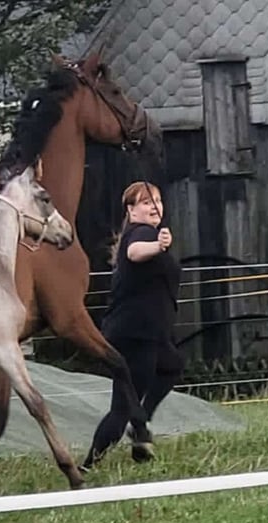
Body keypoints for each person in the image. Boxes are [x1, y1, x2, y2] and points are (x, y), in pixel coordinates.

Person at [81, 181, 184, 470]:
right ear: (131, 210)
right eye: (146, 202)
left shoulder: (145, 232)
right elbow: (135, 252)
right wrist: (158, 245)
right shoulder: (141, 233)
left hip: (146, 331)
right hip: (136, 333)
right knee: (124, 406)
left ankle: (138, 426)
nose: (154, 206)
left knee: (172, 366)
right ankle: (98, 458)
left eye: (158, 201)